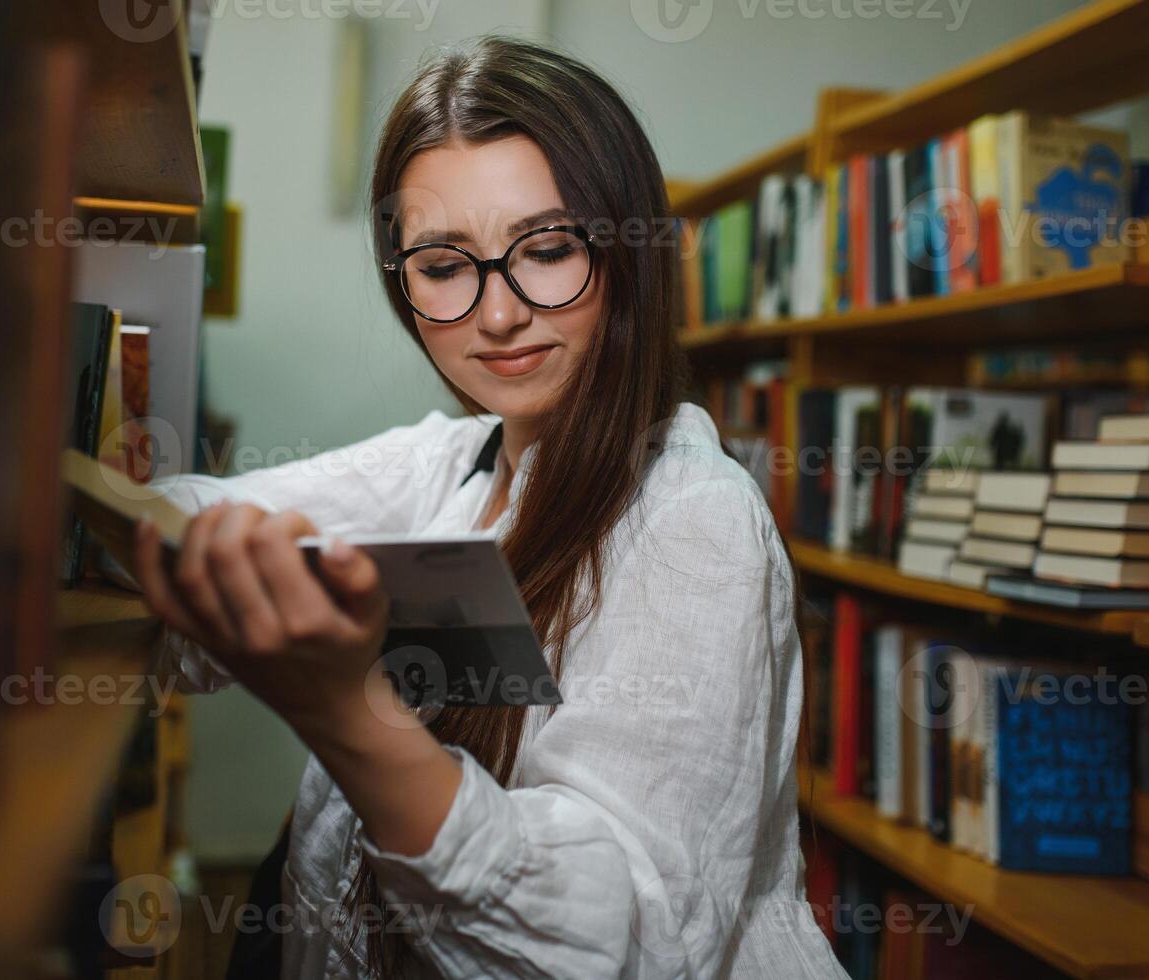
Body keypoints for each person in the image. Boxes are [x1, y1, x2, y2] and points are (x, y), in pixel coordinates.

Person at [129, 34, 847, 980]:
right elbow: (188, 521)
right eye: (442, 266)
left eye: (547, 250)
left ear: (630, 253)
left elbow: (622, 948)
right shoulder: (452, 466)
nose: (498, 313)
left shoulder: (693, 521)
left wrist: (350, 710)